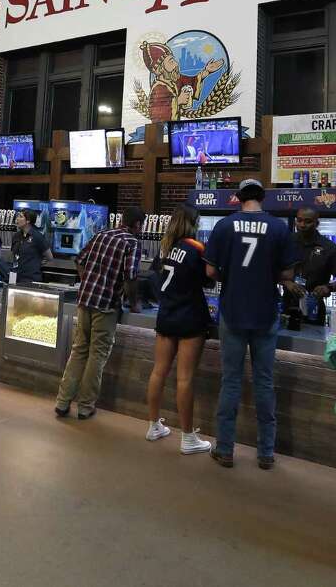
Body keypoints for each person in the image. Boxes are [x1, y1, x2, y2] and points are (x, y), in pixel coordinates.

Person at [203, 178, 297, 469]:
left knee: (230, 381)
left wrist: (231, 276)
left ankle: (225, 449)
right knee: (264, 382)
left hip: (232, 311)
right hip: (265, 312)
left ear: (238, 197)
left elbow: (210, 270)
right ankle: (266, 453)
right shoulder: (280, 227)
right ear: (263, 198)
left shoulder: (224, 226)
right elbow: (288, 274)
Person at [54, 206, 144, 420]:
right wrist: (134, 304)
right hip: (106, 305)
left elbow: (79, 260)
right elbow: (131, 277)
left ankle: (62, 402)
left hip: (85, 301)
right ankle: (85, 407)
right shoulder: (132, 242)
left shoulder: (102, 234)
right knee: (97, 355)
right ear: (138, 225)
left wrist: (87, 282)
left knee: (78, 350)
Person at [142, 204, 213, 454]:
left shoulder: (166, 248)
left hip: (166, 314)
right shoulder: (197, 247)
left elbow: (155, 279)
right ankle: (187, 437)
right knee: (185, 378)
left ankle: (153, 425)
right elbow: (210, 277)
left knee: (158, 372)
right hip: (190, 316)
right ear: (194, 222)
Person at [288, 207, 336, 325]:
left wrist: (328, 287)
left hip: (314, 308)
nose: (302, 225)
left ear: (316, 223)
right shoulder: (286, 242)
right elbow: (270, 270)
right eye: (299, 220)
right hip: (286, 306)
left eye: (308, 221)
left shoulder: (329, 248)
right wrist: (288, 283)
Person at [11, 209, 51, 283]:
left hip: (30, 279)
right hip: (14, 276)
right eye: (17, 216)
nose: (17, 219)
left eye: (20, 216)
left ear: (28, 220)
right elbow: (13, 256)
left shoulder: (37, 236)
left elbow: (49, 257)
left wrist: (35, 263)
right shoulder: (16, 236)